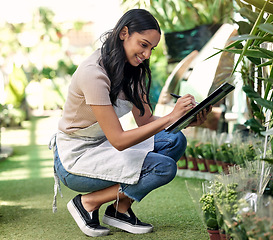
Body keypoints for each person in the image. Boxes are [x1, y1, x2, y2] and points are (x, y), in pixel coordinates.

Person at [50, 9, 211, 237]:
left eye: (151, 49)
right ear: (124, 33)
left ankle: (119, 209)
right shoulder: (93, 73)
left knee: (174, 139)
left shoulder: (134, 71)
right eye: (143, 45)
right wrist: (170, 116)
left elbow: (145, 121)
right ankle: (87, 202)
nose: (146, 54)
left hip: (102, 146)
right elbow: (118, 141)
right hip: (74, 159)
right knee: (163, 168)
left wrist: (187, 120)